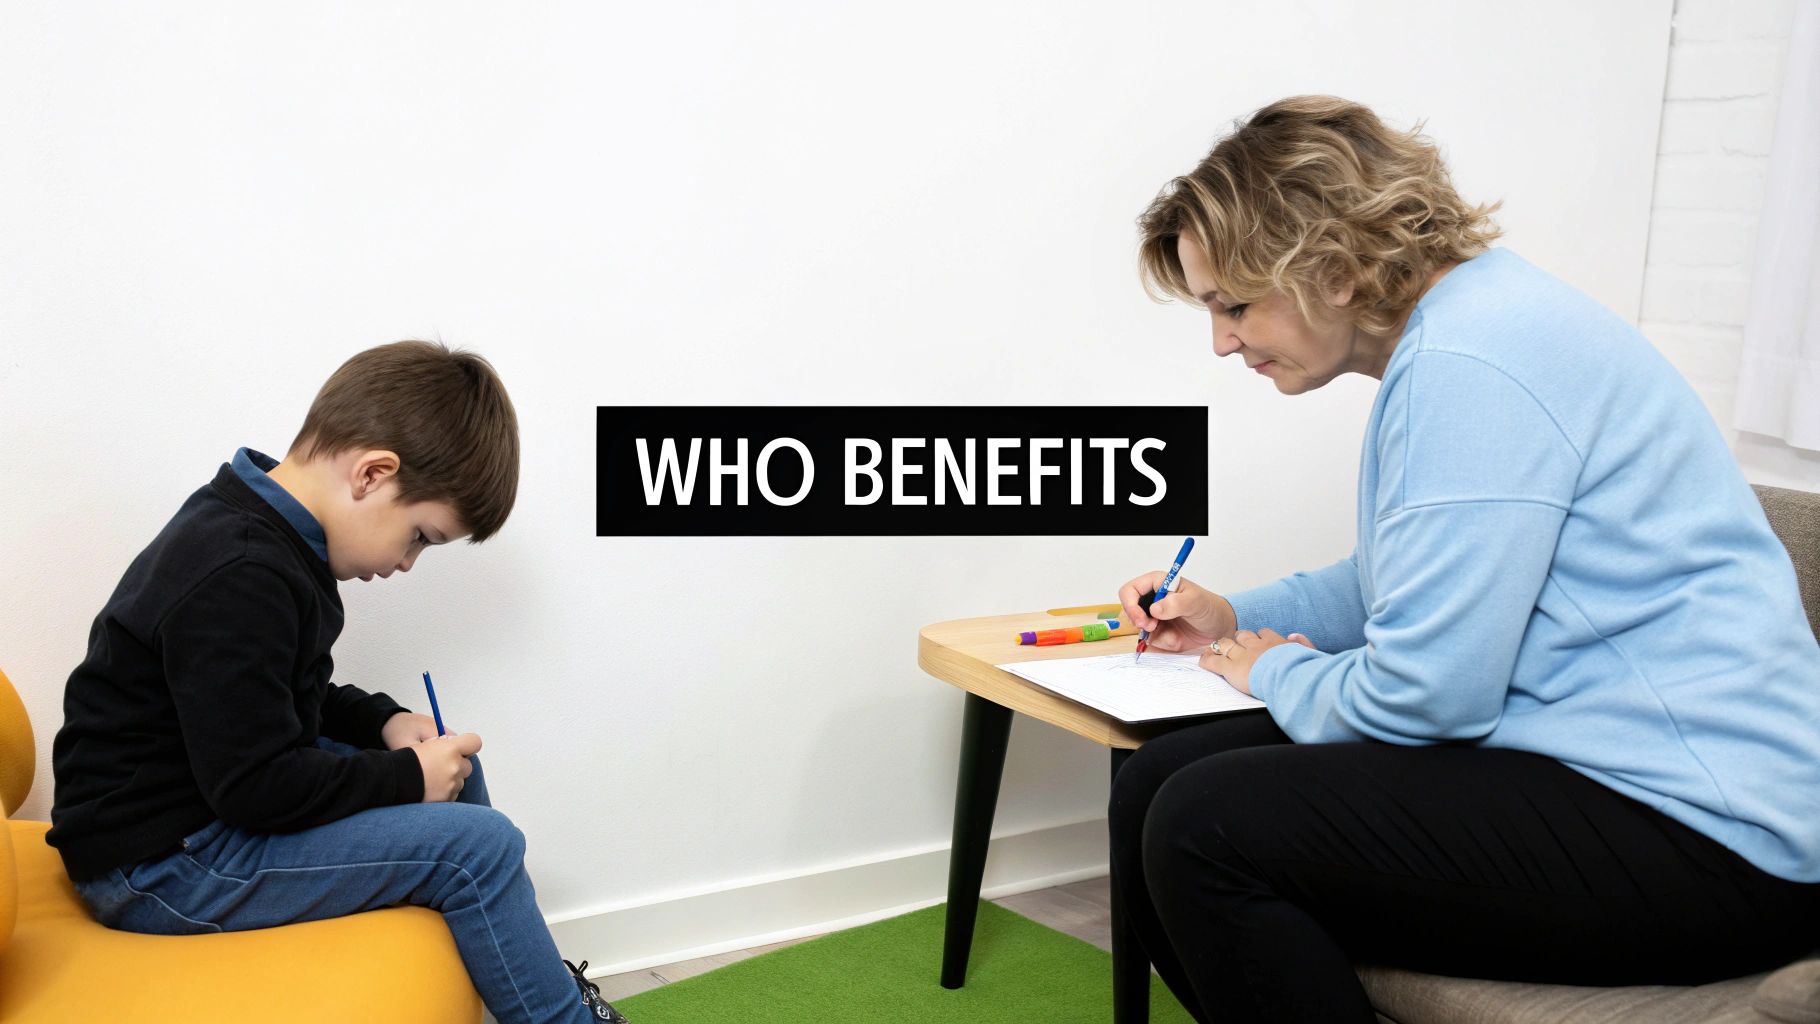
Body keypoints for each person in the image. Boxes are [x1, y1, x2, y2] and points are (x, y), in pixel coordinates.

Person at [1111, 95, 1820, 1023]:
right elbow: (1393, 583)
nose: (1222, 339)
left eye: (1235, 304)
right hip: (1605, 769)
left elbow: (1429, 694)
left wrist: (1278, 669)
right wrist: (1233, 619)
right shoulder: (1469, 330)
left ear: (1328, 267)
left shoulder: (1475, 361)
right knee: (1155, 784)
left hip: (1720, 837)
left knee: (1203, 826)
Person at [46, 340, 628, 1024]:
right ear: (373, 474)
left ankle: (528, 985)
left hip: (201, 816)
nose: (410, 563)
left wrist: (380, 722)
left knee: (460, 775)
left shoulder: (263, 531)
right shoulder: (242, 572)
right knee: (481, 846)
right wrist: (407, 777)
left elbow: (276, 697)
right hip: (160, 868)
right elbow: (256, 786)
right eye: (420, 536)